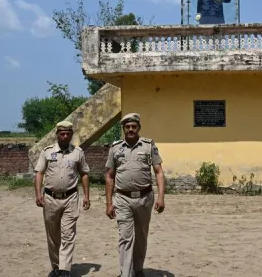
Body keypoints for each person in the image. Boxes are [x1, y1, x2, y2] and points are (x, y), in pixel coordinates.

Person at [105, 113, 166, 277]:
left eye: (133, 126)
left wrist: (161, 197)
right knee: (125, 237)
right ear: (123, 129)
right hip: (122, 198)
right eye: (127, 127)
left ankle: (138, 269)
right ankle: (126, 273)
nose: (130, 129)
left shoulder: (148, 146)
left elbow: (159, 172)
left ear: (139, 128)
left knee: (141, 236)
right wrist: (109, 203)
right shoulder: (115, 148)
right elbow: (109, 176)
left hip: (144, 198)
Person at [34, 120, 91, 277]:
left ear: (71, 135)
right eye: (62, 133)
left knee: (68, 234)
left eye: (68, 134)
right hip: (50, 198)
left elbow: (84, 174)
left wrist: (86, 196)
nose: (65, 136)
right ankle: (56, 267)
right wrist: (38, 194)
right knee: (53, 235)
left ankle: (65, 269)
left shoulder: (78, 153)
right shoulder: (47, 152)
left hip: (70, 198)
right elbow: (39, 173)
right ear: (57, 134)